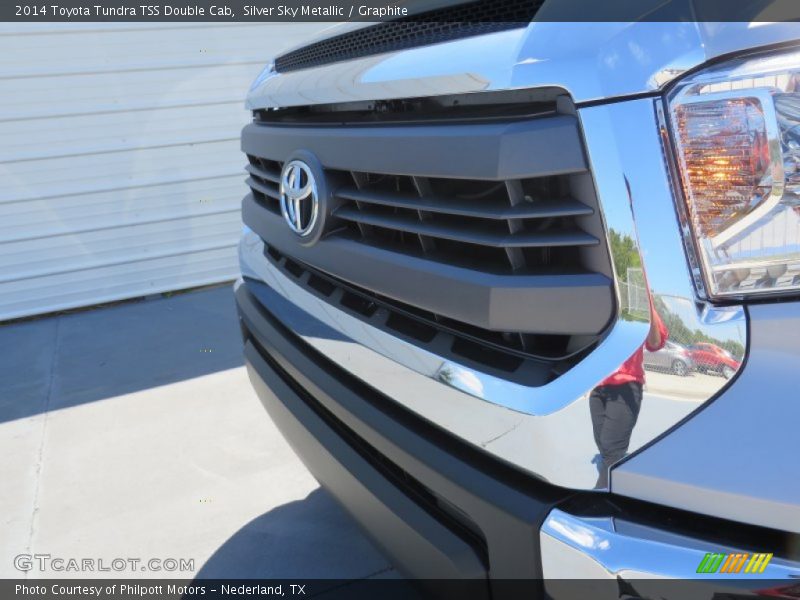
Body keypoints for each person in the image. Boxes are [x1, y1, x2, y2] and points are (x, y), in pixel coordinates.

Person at [590, 292, 668, 488]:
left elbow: (655, 342)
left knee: (612, 451)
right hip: (598, 386)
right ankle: (615, 480)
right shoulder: (603, 303)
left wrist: (647, 301)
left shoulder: (637, 309)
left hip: (626, 385)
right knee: (603, 445)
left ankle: (600, 497)